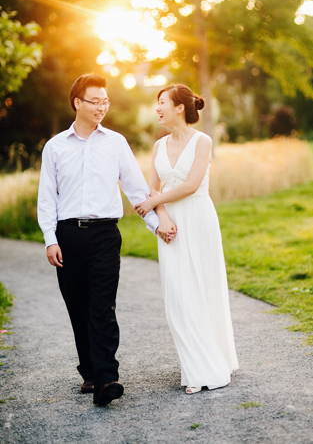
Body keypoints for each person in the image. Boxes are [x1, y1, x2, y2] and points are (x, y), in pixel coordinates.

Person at [37, 73, 176, 406]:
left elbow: (135, 188)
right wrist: (49, 239)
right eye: (95, 101)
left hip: (104, 235)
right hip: (68, 236)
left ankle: (106, 378)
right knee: (78, 306)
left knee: (102, 306)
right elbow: (47, 199)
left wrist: (156, 223)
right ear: (77, 103)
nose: (102, 107)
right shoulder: (55, 147)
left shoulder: (115, 143)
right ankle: (89, 370)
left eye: (105, 101)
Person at [134, 84, 238, 395]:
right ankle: (196, 364)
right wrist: (162, 219)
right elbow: (154, 187)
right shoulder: (158, 146)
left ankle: (207, 368)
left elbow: (192, 184)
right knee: (178, 297)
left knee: (203, 290)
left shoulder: (202, 141)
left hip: (199, 219)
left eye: (162, 102)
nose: (158, 108)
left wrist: (153, 204)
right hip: (172, 226)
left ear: (180, 107)